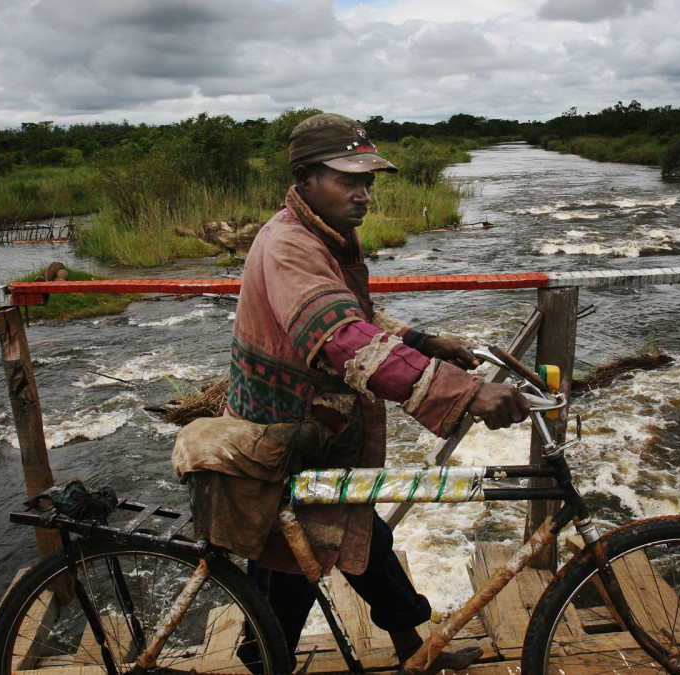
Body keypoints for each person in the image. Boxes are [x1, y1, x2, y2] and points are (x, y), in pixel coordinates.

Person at [223, 113, 528, 672]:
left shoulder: (327, 233)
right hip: (281, 437)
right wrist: (461, 394)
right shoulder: (289, 245)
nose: (363, 194)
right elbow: (339, 336)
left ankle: (417, 651)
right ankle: (265, 660)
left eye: (369, 181)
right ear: (307, 176)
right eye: (348, 180)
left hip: (315, 434)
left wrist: (423, 340)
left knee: (361, 538)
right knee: (289, 567)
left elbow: (354, 314)